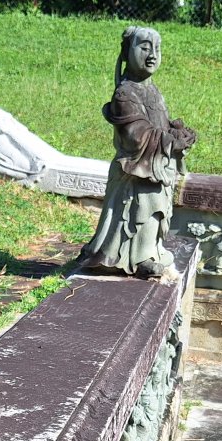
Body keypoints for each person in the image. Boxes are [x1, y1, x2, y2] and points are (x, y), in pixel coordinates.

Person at [78, 26, 196, 278]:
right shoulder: (125, 94)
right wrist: (170, 141)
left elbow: (159, 126)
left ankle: (149, 252)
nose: (152, 55)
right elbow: (136, 136)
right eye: (144, 47)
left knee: (155, 213)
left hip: (156, 169)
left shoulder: (153, 91)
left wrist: (178, 132)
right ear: (127, 52)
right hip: (135, 171)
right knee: (140, 211)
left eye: (157, 49)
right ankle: (134, 258)